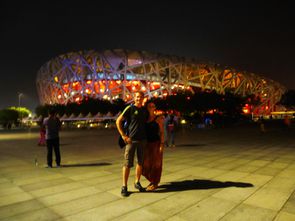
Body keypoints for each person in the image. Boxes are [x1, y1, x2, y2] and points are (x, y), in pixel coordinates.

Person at [116, 91, 147, 197]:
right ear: (134, 98)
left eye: (141, 97)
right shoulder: (130, 108)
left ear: (143, 98)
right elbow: (118, 121)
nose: (139, 99)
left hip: (142, 140)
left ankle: (137, 182)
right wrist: (124, 136)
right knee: (127, 163)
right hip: (131, 140)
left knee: (140, 162)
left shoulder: (144, 110)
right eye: (137, 97)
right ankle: (124, 186)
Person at [143, 101, 165, 191]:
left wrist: (162, 144)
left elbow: (162, 132)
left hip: (156, 143)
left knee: (156, 164)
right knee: (146, 164)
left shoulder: (158, 118)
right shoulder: (144, 119)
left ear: (155, 108)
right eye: (149, 106)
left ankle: (155, 182)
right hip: (146, 144)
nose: (151, 108)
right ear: (147, 108)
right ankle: (152, 180)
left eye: (153, 106)